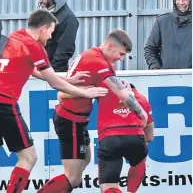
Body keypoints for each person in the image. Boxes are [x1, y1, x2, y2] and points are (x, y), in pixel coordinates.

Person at [0, 9, 108, 193]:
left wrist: (68, 81)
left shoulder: (15, 37)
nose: (51, 37)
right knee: (29, 157)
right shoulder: (35, 47)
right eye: (51, 32)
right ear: (43, 28)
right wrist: (86, 93)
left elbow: (31, 69)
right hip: (2, 103)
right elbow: (53, 83)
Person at [36, 29, 148, 193]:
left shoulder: (92, 55)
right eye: (121, 53)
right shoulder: (98, 62)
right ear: (110, 45)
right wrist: (141, 113)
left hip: (76, 120)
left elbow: (66, 92)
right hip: (70, 121)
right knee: (73, 178)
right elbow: (62, 95)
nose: (120, 59)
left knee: (85, 161)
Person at [59, 81, 154, 193]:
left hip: (109, 139)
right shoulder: (142, 99)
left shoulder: (105, 90)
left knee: (108, 187)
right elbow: (150, 136)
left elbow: (62, 94)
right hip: (135, 137)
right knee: (140, 157)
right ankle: (131, 191)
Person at [37, 0, 79, 72]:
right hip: (42, 71)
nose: (39, 0)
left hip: (54, 73)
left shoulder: (68, 19)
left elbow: (64, 51)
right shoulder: (48, 13)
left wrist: (50, 73)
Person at [144, 0, 192, 69]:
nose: (181, 2)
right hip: (166, 78)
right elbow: (150, 49)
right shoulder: (162, 21)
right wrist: (156, 69)